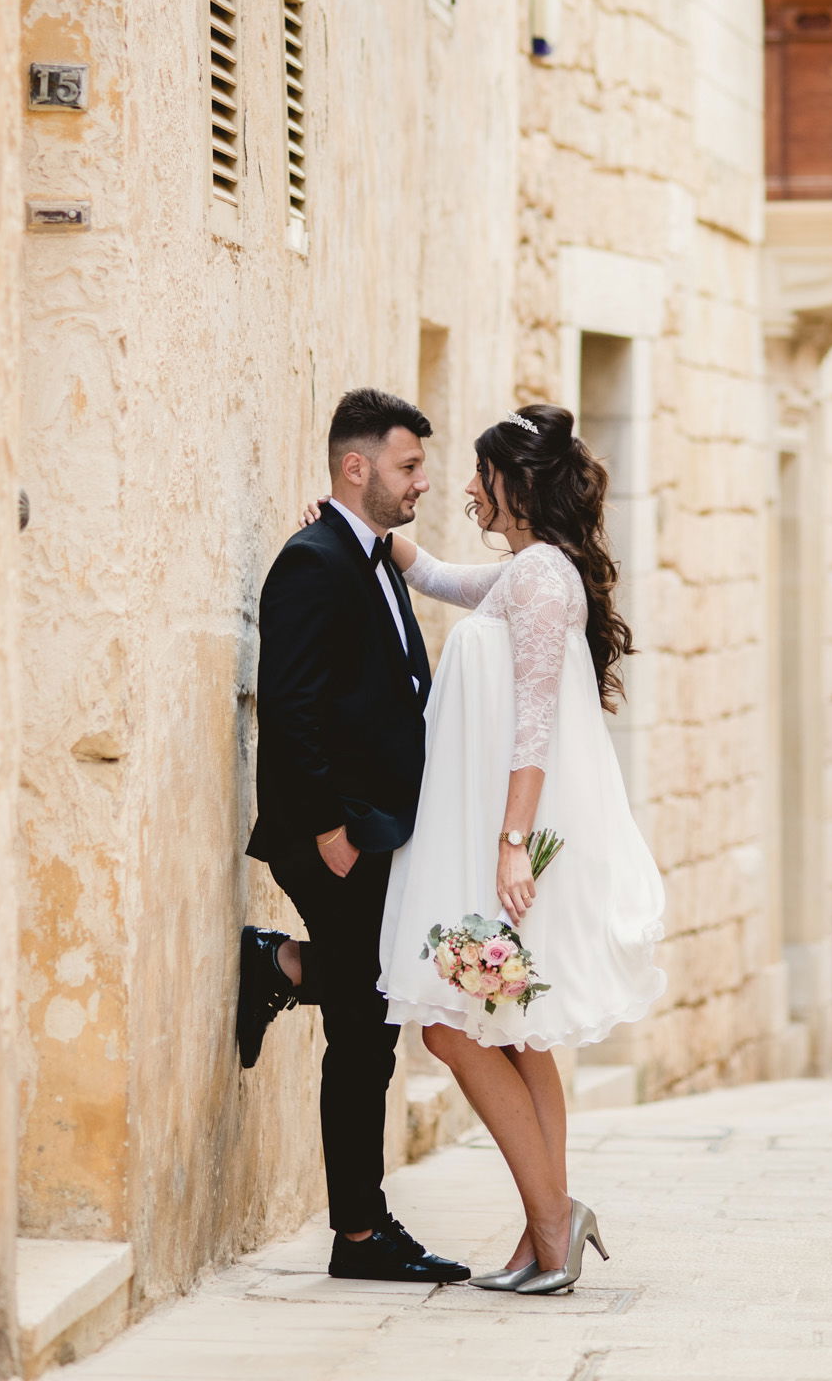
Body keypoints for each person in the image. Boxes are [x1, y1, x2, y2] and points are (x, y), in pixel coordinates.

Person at [375, 404, 665, 1294]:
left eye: (479, 473)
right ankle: (550, 1230)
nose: (465, 487)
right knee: (521, 1035)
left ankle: (551, 1221)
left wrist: (508, 850)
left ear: (517, 484)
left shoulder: (542, 578)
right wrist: (376, 539)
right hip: (504, 843)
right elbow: (455, 583)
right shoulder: (534, 571)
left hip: (513, 852)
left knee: (452, 1027)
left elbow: (532, 726)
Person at [236, 388, 469, 1286]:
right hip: (329, 832)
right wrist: (332, 829)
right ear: (355, 466)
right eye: (408, 467)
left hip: (374, 828)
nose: (421, 482)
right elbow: (289, 706)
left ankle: (283, 966)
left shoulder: (363, 553)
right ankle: (359, 1238)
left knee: (373, 1009)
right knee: (366, 1031)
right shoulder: (314, 560)